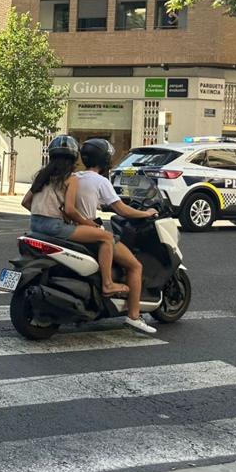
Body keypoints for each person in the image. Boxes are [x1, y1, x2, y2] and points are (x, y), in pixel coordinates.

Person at [69, 138, 159, 335]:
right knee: (135, 266)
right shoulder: (101, 181)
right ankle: (134, 316)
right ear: (105, 159)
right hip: (92, 231)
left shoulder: (75, 176)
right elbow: (122, 210)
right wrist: (146, 213)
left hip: (72, 231)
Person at [22, 135, 126, 298]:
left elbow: (26, 202)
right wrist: (88, 224)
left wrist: (42, 213)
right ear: (74, 157)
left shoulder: (41, 175)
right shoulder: (70, 179)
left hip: (35, 225)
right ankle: (108, 284)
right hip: (55, 227)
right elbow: (70, 210)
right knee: (106, 238)